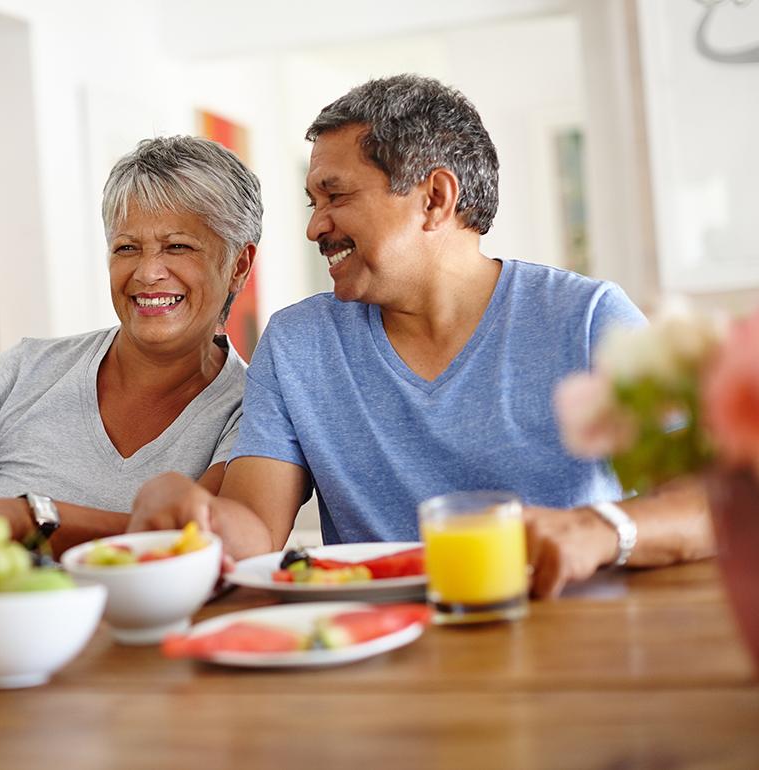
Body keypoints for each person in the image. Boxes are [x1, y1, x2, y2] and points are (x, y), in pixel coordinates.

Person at [127, 75, 715, 598]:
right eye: (313, 201)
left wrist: (596, 529)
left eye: (336, 195)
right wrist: (197, 514)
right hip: (378, 657)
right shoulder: (297, 342)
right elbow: (254, 534)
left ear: (435, 199)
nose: (314, 226)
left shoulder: (587, 318)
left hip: (568, 638)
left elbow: (716, 503)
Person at [0, 135, 262, 577]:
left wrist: (31, 517)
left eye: (178, 247)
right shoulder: (23, 372)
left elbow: (196, 545)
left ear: (239, 266)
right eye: (126, 247)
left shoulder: (253, 410)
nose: (147, 272)